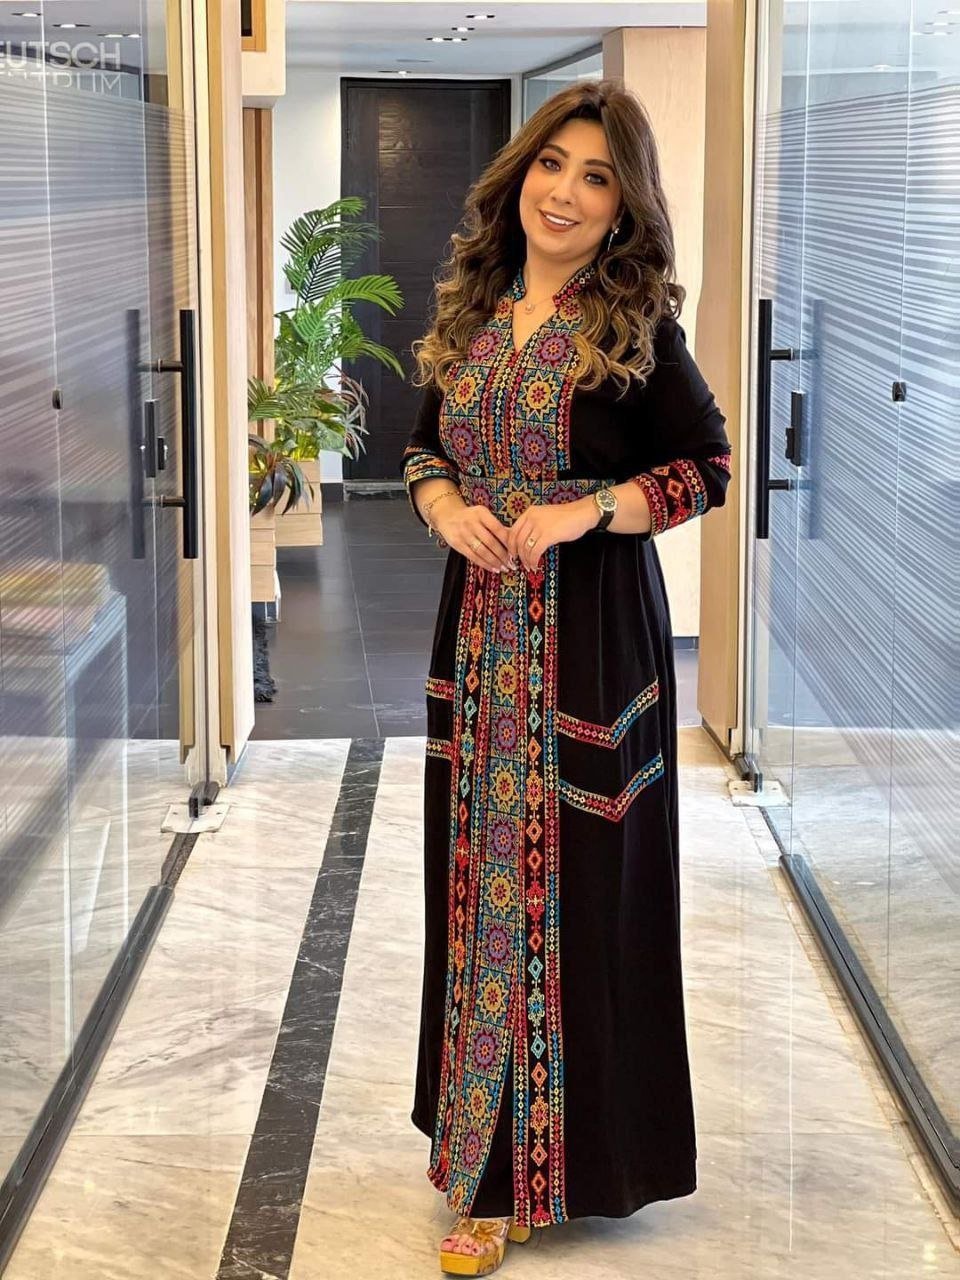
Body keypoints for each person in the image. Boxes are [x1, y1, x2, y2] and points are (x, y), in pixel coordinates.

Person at [401, 79, 732, 1276]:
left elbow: (706, 467)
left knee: (579, 897)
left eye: (598, 178)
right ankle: (488, 1170)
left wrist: (585, 509)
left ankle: (575, 1162)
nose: (567, 193)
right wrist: (444, 504)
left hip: (590, 648)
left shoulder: (632, 327)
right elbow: (424, 445)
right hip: (479, 647)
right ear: (521, 174)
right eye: (554, 164)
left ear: (622, 207)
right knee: (479, 894)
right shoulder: (479, 308)